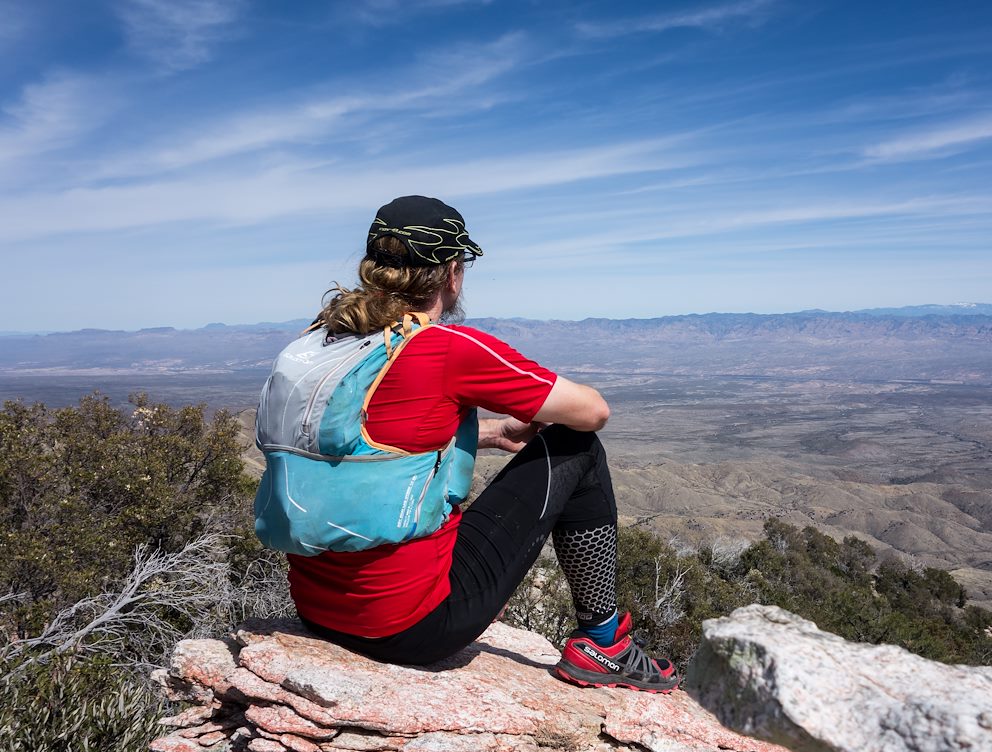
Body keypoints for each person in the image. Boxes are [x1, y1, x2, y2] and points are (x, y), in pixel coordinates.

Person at [259, 195, 678, 692]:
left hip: (318, 613)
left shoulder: (322, 343)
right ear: (453, 273)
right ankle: (604, 643)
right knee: (576, 444)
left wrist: (494, 434)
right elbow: (593, 411)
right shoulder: (447, 347)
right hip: (413, 627)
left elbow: (360, 449)